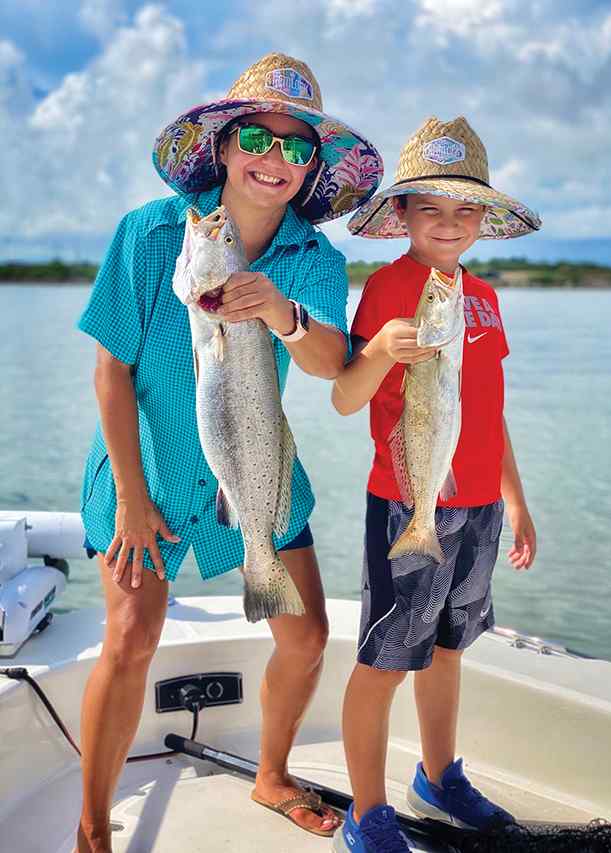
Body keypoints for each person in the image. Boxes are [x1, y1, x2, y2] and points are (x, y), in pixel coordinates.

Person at [74, 52, 383, 853]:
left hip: (257, 461)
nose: (274, 158)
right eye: (256, 137)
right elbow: (110, 373)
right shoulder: (150, 233)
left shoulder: (313, 259)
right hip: (144, 467)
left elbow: (332, 363)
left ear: (313, 167)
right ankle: (91, 829)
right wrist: (131, 499)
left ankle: (272, 774)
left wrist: (281, 312)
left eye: (296, 146)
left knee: (306, 637)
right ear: (222, 144)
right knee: (131, 637)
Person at [331, 116, 541, 852]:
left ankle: (438, 775)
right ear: (402, 214)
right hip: (408, 502)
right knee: (386, 661)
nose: (448, 223)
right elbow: (345, 398)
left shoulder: (483, 295)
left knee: (449, 649)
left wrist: (515, 498)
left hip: (479, 507)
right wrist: (381, 353)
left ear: (483, 218)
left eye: (464, 209)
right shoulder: (387, 287)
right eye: (430, 208)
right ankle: (365, 811)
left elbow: (486, 407)